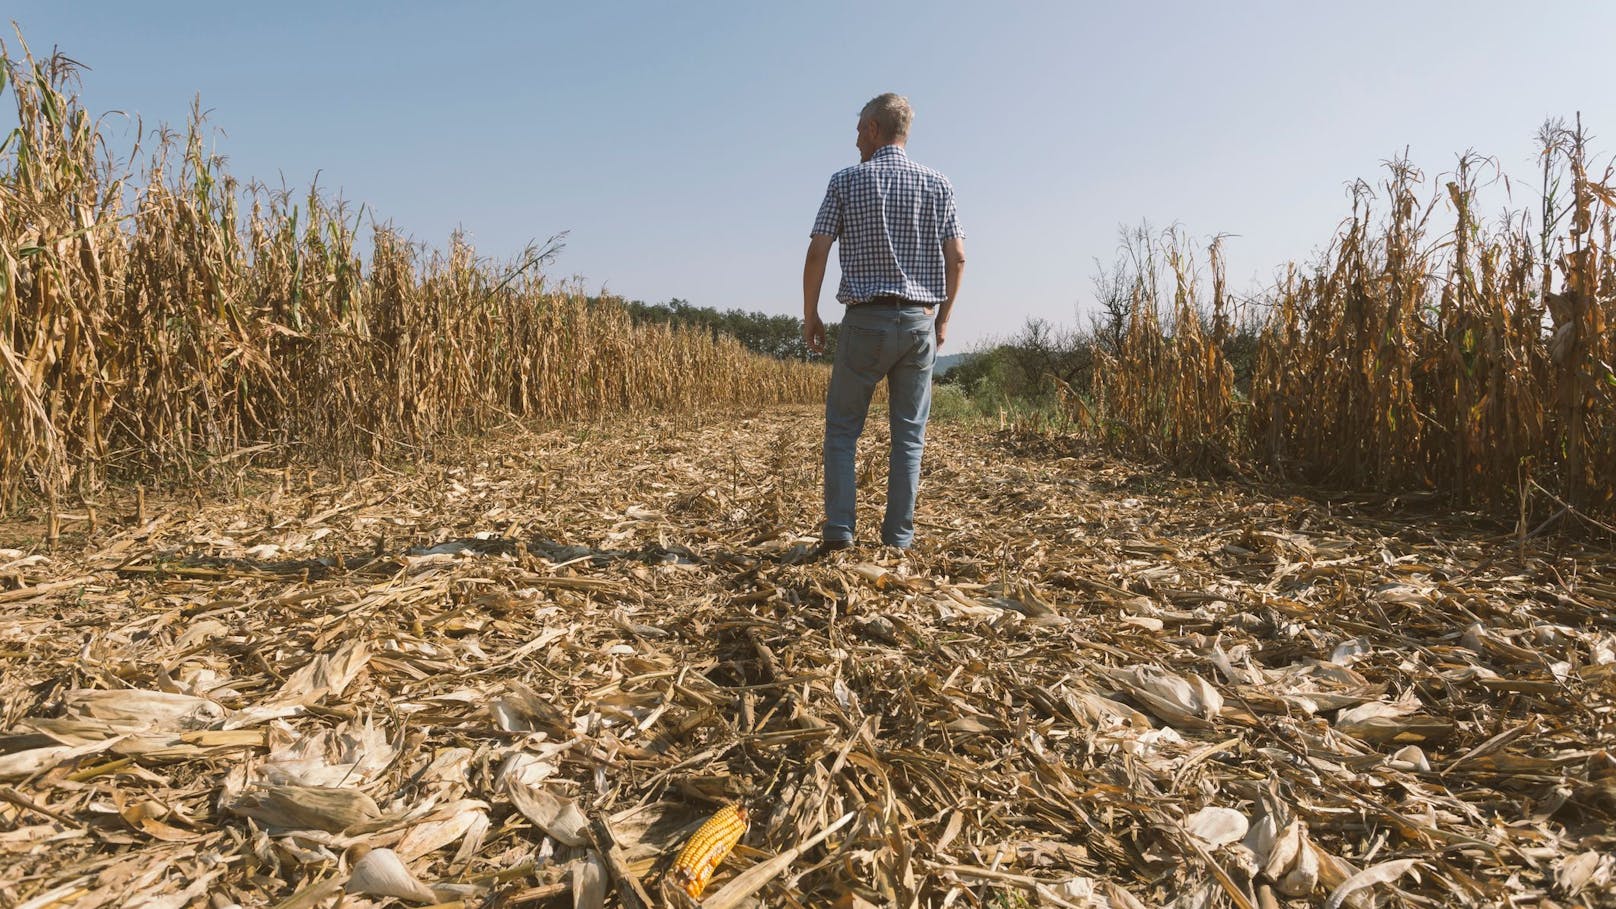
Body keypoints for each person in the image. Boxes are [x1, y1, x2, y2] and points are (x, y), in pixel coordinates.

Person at [802, 92, 966, 552]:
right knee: (908, 437)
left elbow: (818, 249)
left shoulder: (846, 181)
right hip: (918, 323)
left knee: (841, 430)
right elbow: (957, 258)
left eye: (858, 130)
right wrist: (944, 319)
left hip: (864, 323)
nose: (855, 141)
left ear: (874, 128)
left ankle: (839, 532)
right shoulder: (939, 184)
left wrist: (810, 313)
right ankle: (898, 540)